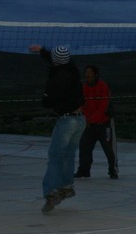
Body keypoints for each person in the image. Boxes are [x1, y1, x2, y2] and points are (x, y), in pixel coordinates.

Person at [29, 44, 85, 214]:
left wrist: (47, 97)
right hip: (81, 120)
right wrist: (43, 52)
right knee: (68, 155)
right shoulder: (73, 70)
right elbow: (61, 60)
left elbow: (46, 103)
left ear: (55, 61)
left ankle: (51, 191)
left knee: (55, 156)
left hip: (67, 120)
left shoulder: (55, 80)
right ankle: (67, 186)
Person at [75, 65, 118, 179]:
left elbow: (103, 106)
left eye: (90, 72)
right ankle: (84, 170)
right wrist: (87, 120)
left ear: (95, 74)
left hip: (104, 124)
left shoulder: (102, 86)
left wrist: (92, 119)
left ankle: (112, 171)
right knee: (84, 146)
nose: (87, 74)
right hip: (90, 125)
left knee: (109, 149)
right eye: (86, 72)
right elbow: (84, 105)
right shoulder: (84, 87)